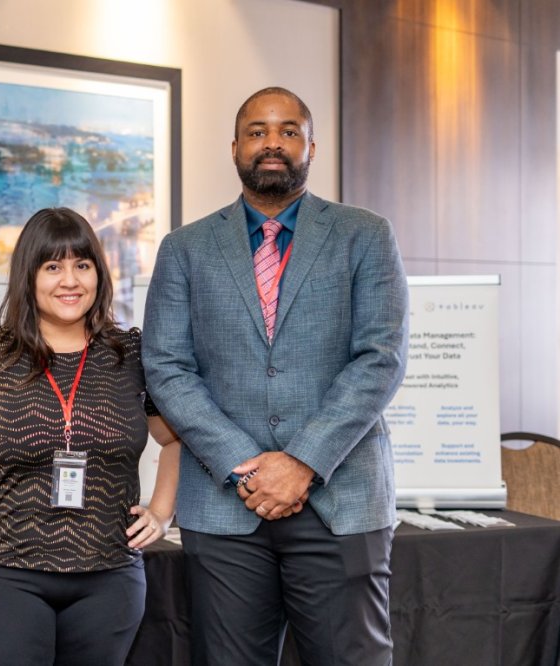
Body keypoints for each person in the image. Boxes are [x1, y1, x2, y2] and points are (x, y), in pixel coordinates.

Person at [142, 87, 409, 665]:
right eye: (257, 131)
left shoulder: (365, 235)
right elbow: (166, 366)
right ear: (234, 147)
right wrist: (245, 465)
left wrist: (301, 462)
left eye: (289, 131)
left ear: (311, 146)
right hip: (224, 505)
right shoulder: (184, 248)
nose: (273, 143)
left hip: (342, 499)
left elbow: (380, 358)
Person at [0, 207, 180, 665]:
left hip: (110, 577)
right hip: (7, 575)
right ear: (28, 276)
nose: (70, 281)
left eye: (82, 265)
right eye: (52, 267)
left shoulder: (130, 354)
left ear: (98, 273)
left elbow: (176, 437)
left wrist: (163, 513)